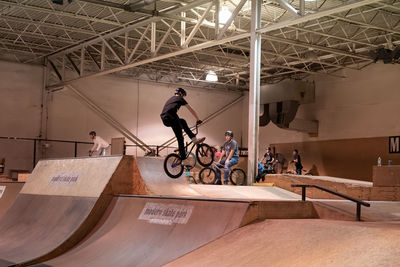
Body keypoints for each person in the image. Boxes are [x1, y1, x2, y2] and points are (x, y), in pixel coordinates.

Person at [161, 88, 205, 165]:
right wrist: (198, 119)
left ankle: (182, 148)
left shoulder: (171, 99)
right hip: (171, 117)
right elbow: (191, 109)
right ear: (181, 94)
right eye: (183, 96)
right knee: (180, 138)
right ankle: (184, 159)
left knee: (182, 122)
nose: (183, 98)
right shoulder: (179, 98)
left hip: (165, 119)